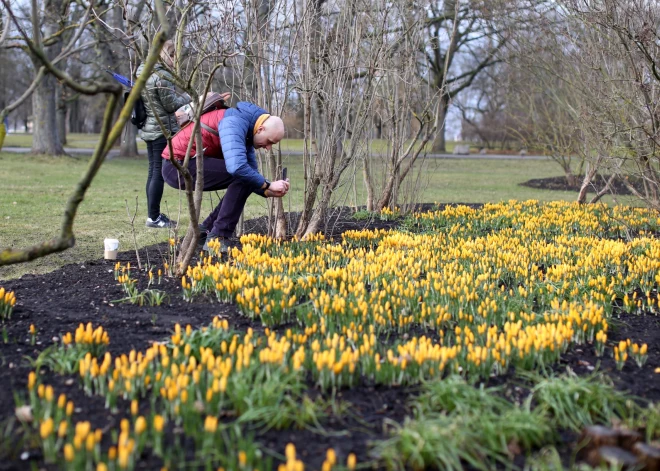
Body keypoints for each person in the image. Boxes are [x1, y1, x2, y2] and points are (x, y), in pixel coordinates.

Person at [161, 101, 289, 252]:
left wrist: (267, 190)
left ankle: (204, 232)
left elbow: (251, 173)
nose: (268, 148)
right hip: (176, 166)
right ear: (260, 129)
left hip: (184, 164)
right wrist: (268, 184)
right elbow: (238, 168)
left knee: (245, 176)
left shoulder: (246, 128)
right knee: (242, 175)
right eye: (269, 142)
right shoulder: (234, 123)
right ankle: (218, 236)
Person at [136, 40, 191, 229]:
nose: (175, 59)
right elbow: (170, 105)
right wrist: (188, 96)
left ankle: (153, 215)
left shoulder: (143, 72)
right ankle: (154, 218)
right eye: (173, 55)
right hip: (161, 130)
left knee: (153, 171)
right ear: (165, 54)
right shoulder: (161, 75)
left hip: (150, 128)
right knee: (158, 173)